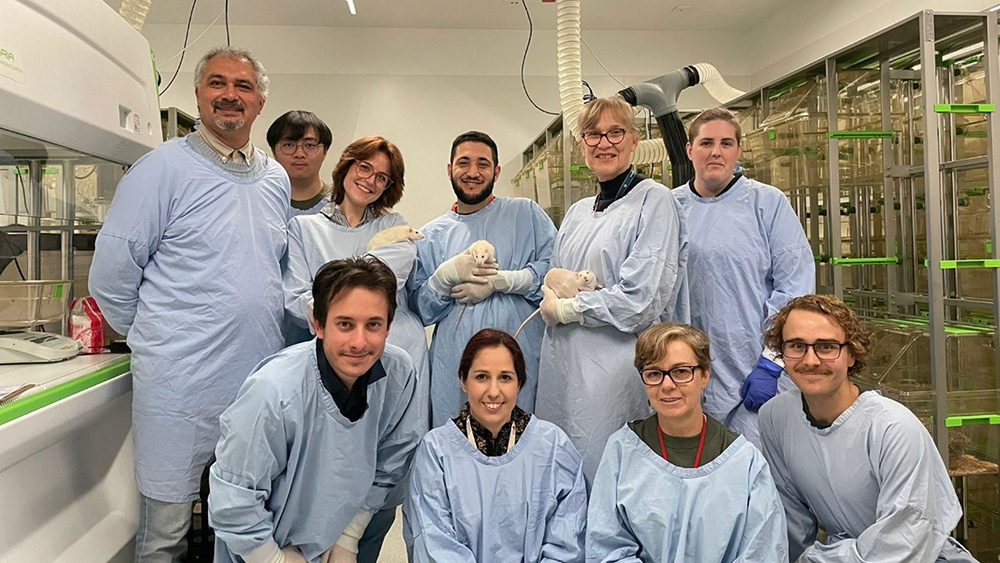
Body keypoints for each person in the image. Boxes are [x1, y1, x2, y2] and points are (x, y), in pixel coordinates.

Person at [88, 46, 288, 562]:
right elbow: (111, 274)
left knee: (241, 524)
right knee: (166, 532)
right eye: (217, 83)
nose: (229, 95)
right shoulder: (160, 169)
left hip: (253, 381)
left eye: (243, 86)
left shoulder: (275, 180)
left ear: (260, 101)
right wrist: (158, 339)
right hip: (179, 386)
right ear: (198, 94)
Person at [209, 257, 427, 563]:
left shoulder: (398, 374)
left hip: (336, 535)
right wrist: (273, 558)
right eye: (345, 324)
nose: (359, 342)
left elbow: (391, 461)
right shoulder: (274, 391)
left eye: (373, 325)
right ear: (319, 324)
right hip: (263, 546)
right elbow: (234, 499)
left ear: (389, 326)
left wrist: (349, 537)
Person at [282, 135, 428, 561]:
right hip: (328, 370)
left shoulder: (396, 226)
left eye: (382, 177)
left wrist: (330, 298)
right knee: (326, 476)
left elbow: (380, 285)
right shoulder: (305, 228)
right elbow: (294, 297)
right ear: (346, 166)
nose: (371, 180)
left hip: (389, 364)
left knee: (383, 470)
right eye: (364, 168)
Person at [534, 96, 689, 482]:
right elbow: (554, 276)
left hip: (612, 372)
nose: (604, 143)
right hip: (561, 369)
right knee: (558, 476)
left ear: (635, 140)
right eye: (593, 135)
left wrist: (570, 308)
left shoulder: (654, 201)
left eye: (615, 132)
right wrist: (554, 283)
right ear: (581, 144)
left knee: (606, 478)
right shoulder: (577, 211)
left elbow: (641, 300)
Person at [759, 295, 976, 562]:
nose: (811, 360)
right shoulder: (776, 416)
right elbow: (790, 517)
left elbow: (903, 542)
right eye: (796, 346)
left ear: (851, 354)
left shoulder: (892, 427)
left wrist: (814, 560)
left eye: (826, 347)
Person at [587, 322, 788, 562]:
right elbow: (607, 548)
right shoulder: (622, 450)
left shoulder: (744, 461)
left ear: (705, 375)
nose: (667, 385)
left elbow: (763, 552)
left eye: (681, 371)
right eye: (654, 373)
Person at [673, 107, 814, 447]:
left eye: (726, 143)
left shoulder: (766, 203)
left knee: (760, 479)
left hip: (754, 371)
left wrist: (772, 362)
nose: (716, 151)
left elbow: (795, 287)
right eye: (706, 143)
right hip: (686, 373)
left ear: (738, 150)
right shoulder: (670, 207)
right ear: (690, 150)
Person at [408, 131, 557, 427]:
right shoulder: (431, 235)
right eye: (464, 163)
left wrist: (503, 281)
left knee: (521, 444)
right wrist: (441, 280)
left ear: (497, 171)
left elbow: (553, 278)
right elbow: (420, 312)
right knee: (456, 447)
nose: (473, 172)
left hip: (520, 358)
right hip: (455, 363)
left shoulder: (525, 214)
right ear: (450, 169)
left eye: (483, 164)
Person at [404, 329, 587, 562]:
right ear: (463, 381)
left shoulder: (553, 447)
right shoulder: (436, 452)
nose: (493, 392)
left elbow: (568, 542)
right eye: (481, 377)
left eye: (505, 377)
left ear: (520, 383)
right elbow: (433, 543)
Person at [266, 110, 334, 215]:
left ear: (325, 151)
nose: (299, 154)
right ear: (274, 151)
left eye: (310, 145)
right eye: (289, 145)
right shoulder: (262, 199)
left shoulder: (340, 204)